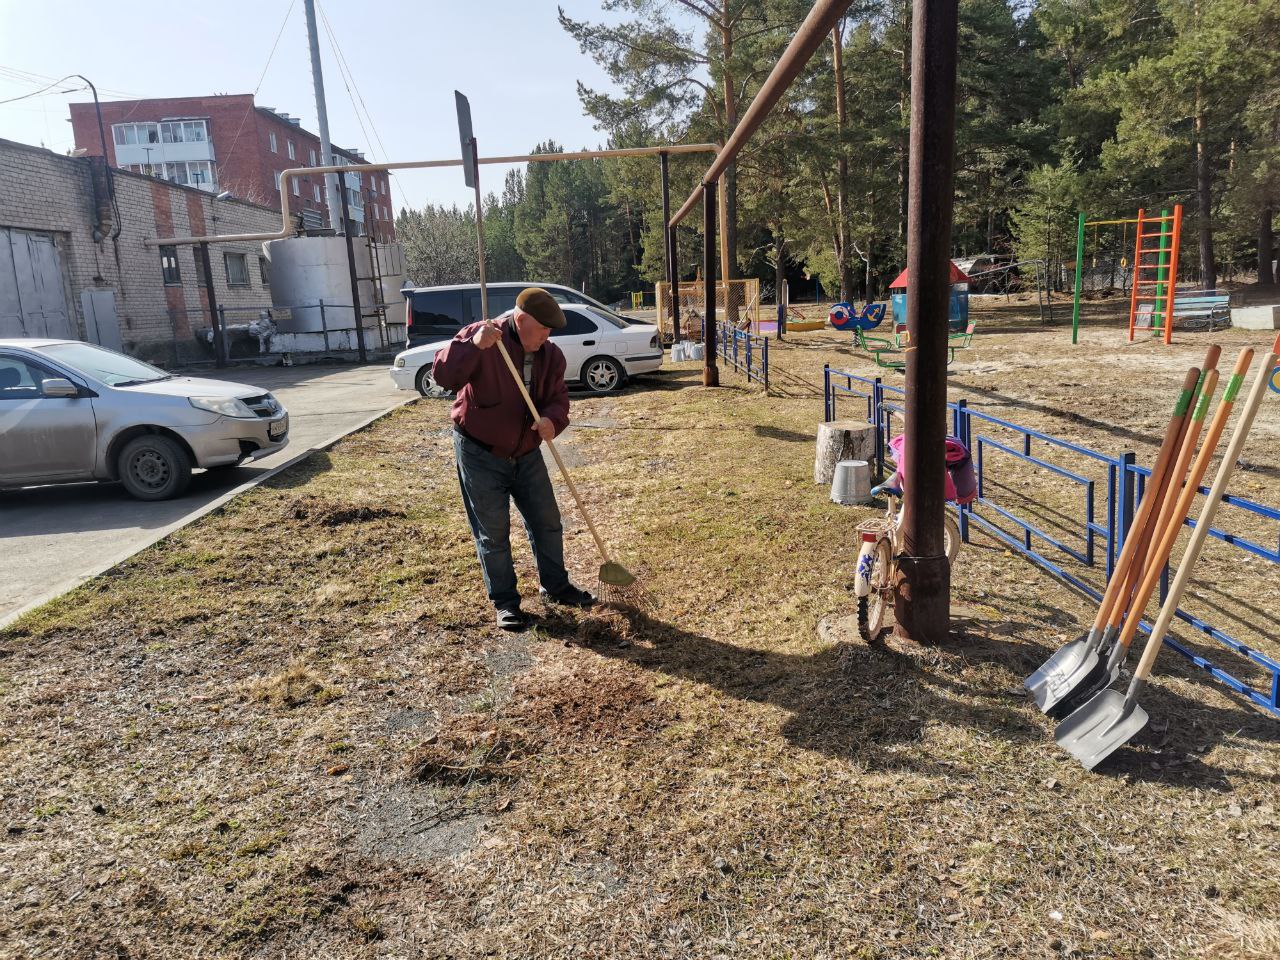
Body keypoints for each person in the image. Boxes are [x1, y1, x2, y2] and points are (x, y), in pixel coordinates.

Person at [432, 287, 596, 631]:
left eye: (551, 332)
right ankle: (506, 603)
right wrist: (474, 345)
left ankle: (556, 586)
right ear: (521, 321)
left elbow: (557, 399)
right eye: (543, 330)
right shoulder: (483, 337)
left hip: (526, 451)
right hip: (480, 452)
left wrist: (553, 420)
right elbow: (444, 376)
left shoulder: (550, 356)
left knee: (547, 520)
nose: (547, 338)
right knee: (493, 532)